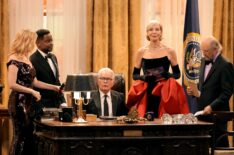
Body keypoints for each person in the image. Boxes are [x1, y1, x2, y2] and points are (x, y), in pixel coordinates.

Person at [7, 29, 61, 155]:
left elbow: (35, 82)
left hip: (29, 103)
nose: (33, 44)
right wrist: (31, 92)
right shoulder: (13, 58)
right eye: (32, 41)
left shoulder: (26, 58)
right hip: (18, 102)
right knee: (20, 136)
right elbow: (12, 84)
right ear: (26, 41)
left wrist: (55, 87)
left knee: (29, 136)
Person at [127, 20, 189, 118]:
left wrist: (167, 75)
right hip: (147, 91)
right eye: (151, 29)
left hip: (164, 91)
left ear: (161, 32)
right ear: (147, 33)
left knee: (164, 120)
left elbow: (177, 74)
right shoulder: (141, 52)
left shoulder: (170, 51)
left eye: (157, 29)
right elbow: (135, 75)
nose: (154, 32)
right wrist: (145, 77)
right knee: (146, 120)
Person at [187, 36, 234, 147]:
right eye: (202, 50)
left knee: (218, 145)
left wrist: (211, 106)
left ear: (215, 49)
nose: (203, 53)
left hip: (217, 114)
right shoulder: (203, 61)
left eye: (206, 51)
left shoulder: (225, 65)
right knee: (203, 147)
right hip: (202, 113)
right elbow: (203, 87)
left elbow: (227, 92)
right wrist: (194, 91)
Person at [30, 29, 66, 108]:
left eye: (52, 40)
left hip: (56, 104)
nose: (51, 43)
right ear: (38, 43)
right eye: (48, 41)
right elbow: (33, 83)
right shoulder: (32, 60)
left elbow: (56, 81)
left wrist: (63, 101)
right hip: (41, 105)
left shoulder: (53, 57)